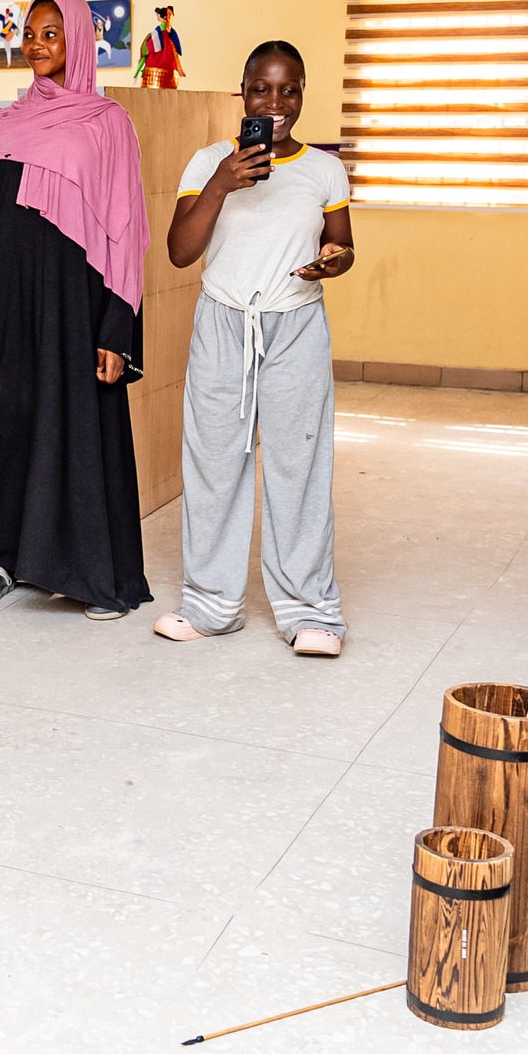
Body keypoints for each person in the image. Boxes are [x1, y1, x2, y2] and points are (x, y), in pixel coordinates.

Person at [0, 0, 152, 620]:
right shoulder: (2, 126)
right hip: (8, 304)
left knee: (80, 428)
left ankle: (92, 573)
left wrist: (116, 330)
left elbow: (126, 232)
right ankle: (2, 560)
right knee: (8, 426)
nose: (36, 45)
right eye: (29, 34)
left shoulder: (108, 123)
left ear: (79, 39)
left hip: (77, 306)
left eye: (51, 34)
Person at [156, 42, 354, 656]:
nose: (275, 103)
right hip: (223, 323)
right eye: (261, 89)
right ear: (242, 92)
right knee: (214, 464)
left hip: (296, 325)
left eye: (289, 90)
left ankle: (311, 612)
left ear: (303, 93)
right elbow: (180, 252)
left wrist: (333, 261)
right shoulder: (207, 162)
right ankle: (211, 605)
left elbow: (342, 245)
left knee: (300, 465)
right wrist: (222, 183)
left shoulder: (324, 170)